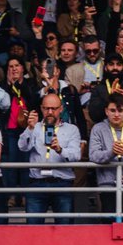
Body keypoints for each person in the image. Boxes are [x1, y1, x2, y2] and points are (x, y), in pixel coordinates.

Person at [18, 92, 81, 224]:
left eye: (54, 108)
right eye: (46, 108)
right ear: (41, 108)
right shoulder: (34, 127)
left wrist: (60, 150)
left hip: (62, 183)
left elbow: (76, 156)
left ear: (61, 109)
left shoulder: (72, 129)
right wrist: (30, 128)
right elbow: (22, 147)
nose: (50, 112)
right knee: (33, 231)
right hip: (37, 182)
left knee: (65, 230)